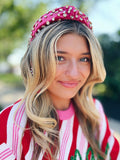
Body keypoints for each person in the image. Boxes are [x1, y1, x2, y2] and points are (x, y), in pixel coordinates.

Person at [0, 5, 120, 160]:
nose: (74, 73)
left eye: (84, 59)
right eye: (59, 58)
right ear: (35, 62)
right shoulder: (10, 123)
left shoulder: (94, 113)